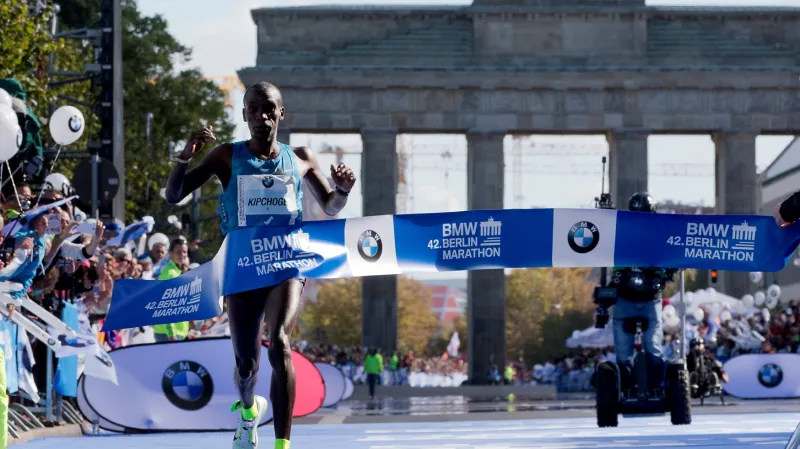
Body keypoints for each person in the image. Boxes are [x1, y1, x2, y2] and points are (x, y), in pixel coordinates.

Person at [165, 81, 355, 449]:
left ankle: (282, 444)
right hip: (242, 266)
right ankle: (249, 411)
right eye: (253, 109)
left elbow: (330, 205)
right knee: (246, 365)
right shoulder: (226, 156)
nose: (261, 116)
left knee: (279, 343)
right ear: (244, 115)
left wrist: (343, 191)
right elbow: (175, 195)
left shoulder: (300, 157)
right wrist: (185, 157)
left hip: (286, 263)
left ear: (281, 113)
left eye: (268, 109)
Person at [601, 193, 678, 390]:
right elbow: (617, 271)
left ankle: (655, 386)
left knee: (651, 348)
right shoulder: (627, 235)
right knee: (627, 352)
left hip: (648, 299)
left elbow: (670, 256)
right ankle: (628, 386)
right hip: (628, 299)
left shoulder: (657, 235)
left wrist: (669, 270)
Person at [153, 238, 191, 343]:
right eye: (178, 252)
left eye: (184, 252)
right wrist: (171, 333)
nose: (182, 255)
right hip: (168, 334)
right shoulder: (169, 273)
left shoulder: (177, 272)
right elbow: (165, 305)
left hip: (177, 332)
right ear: (170, 253)